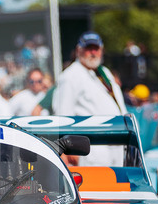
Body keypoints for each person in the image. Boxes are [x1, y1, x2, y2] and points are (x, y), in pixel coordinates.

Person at [51, 32, 127, 165]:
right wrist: (67, 148)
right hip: (93, 148)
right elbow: (62, 114)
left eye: (96, 49)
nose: (93, 52)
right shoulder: (70, 76)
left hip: (117, 145)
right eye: (88, 48)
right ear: (78, 50)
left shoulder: (104, 72)